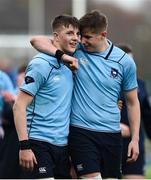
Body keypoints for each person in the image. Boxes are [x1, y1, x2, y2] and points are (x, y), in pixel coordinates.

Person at [31, 10, 140, 179]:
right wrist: (64, 57)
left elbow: (133, 102)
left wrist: (135, 139)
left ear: (103, 35)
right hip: (81, 132)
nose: (82, 40)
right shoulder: (77, 49)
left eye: (87, 37)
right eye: (81, 36)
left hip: (112, 134)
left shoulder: (124, 62)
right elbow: (36, 40)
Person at [13, 14, 80, 179]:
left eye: (78, 34)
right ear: (56, 36)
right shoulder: (41, 64)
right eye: (70, 33)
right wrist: (25, 147)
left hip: (62, 146)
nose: (76, 38)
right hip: (38, 143)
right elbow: (19, 106)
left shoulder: (70, 63)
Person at [118, 44, 151, 179]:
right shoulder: (106, 84)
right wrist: (116, 126)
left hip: (135, 144)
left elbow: (148, 116)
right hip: (110, 142)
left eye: (132, 62)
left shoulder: (140, 85)